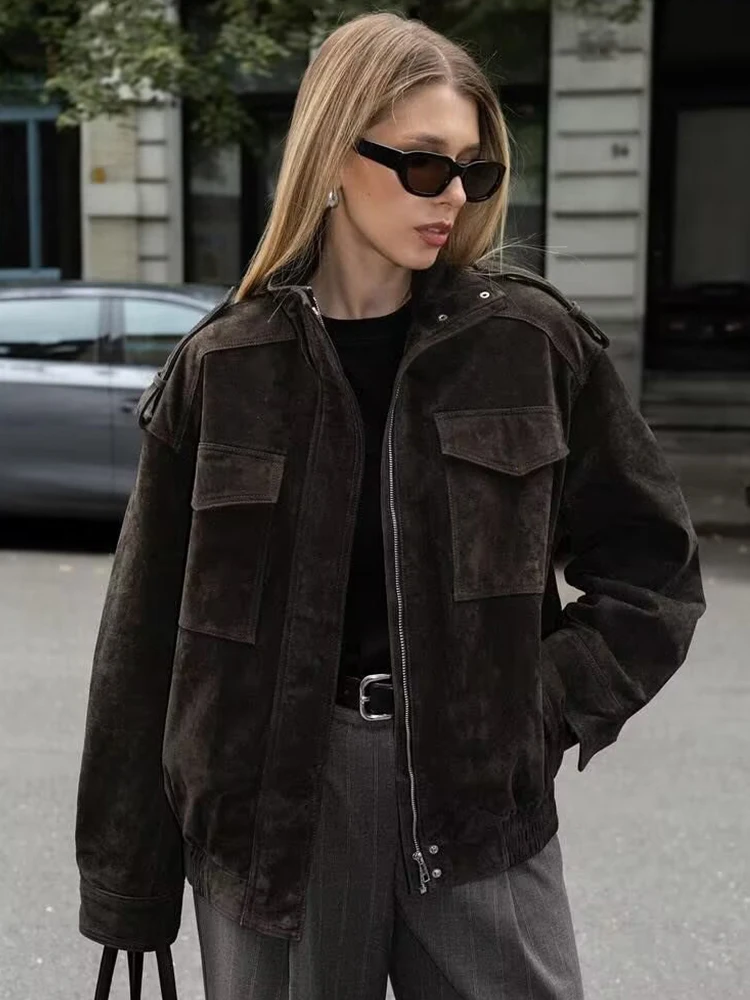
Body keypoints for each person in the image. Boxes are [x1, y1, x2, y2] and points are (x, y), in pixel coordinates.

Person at [75, 12, 705, 1000]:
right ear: (335, 152)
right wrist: (127, 892)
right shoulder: (224, 367)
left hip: (479, 807)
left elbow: (654, 569)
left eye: (473, 171)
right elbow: (144, 643)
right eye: (422, 164)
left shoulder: (530, 344)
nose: (451, 194)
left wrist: (539, 707)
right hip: (272, 825)